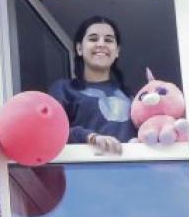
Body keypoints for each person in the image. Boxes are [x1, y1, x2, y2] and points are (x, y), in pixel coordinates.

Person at [49, 15, 137, 155]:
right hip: (84, 172)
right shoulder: (64, 89)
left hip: (133, 172)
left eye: (108, 40)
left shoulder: (132, 97)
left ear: (117, 51)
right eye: (93, 39)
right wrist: (90, 137)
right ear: (79, 49)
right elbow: (52, 131)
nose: (101, 44)